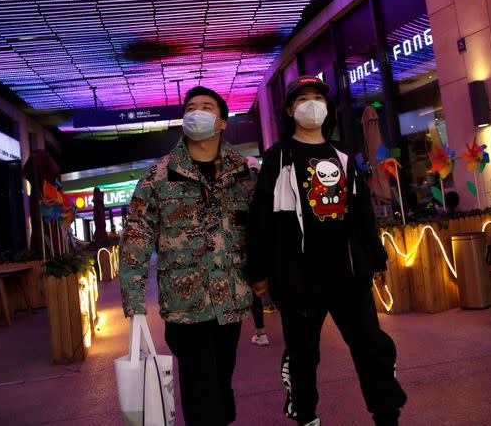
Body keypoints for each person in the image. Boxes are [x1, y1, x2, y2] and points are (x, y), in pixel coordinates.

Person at [246, 76, 407, 426]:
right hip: (299, 279)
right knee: (304, 356)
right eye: (302, 99)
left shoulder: (343, 156)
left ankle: (386, 414)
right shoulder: (278, 158)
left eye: (317, 97)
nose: (311, 104)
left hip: (349, 274)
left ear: (327, 106)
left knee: (370, 345)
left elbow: (363, 215)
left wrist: (376, 258)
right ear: (290, 109)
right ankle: (306, 416)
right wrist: (258, 272)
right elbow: (261, 219)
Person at [119, 86, 256, 426]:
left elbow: (262, 231)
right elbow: (136, 237)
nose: (197, 112)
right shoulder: (157, 176)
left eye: (207, 107)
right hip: (185, 306)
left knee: (221, 383)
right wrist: (134, 303)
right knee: (201, 389)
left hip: (232, 302)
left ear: (221, 122)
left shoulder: (245, 174)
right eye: (191, 107)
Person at [245, 156, 271, 347]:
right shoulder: (267, 186)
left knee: (256, 289)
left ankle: (261, 332)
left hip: (251, 244)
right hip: (270, 243)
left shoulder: (241, 188)